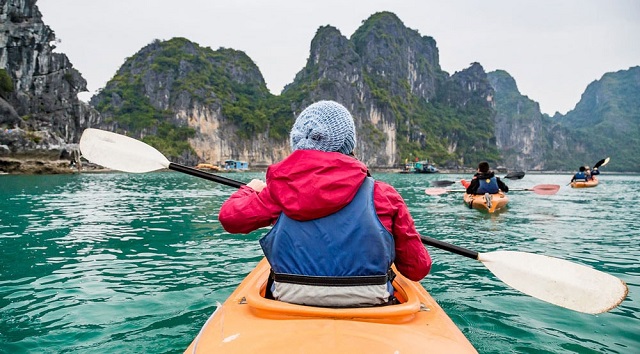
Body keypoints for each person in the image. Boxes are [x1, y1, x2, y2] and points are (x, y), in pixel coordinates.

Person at [218, 100, 432, 307]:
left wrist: (250, 189)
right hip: (372, 303)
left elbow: (230, 219)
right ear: (348, 144)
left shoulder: (277, 192)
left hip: (288, 302)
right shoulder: (384, 195)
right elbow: (417, 269)